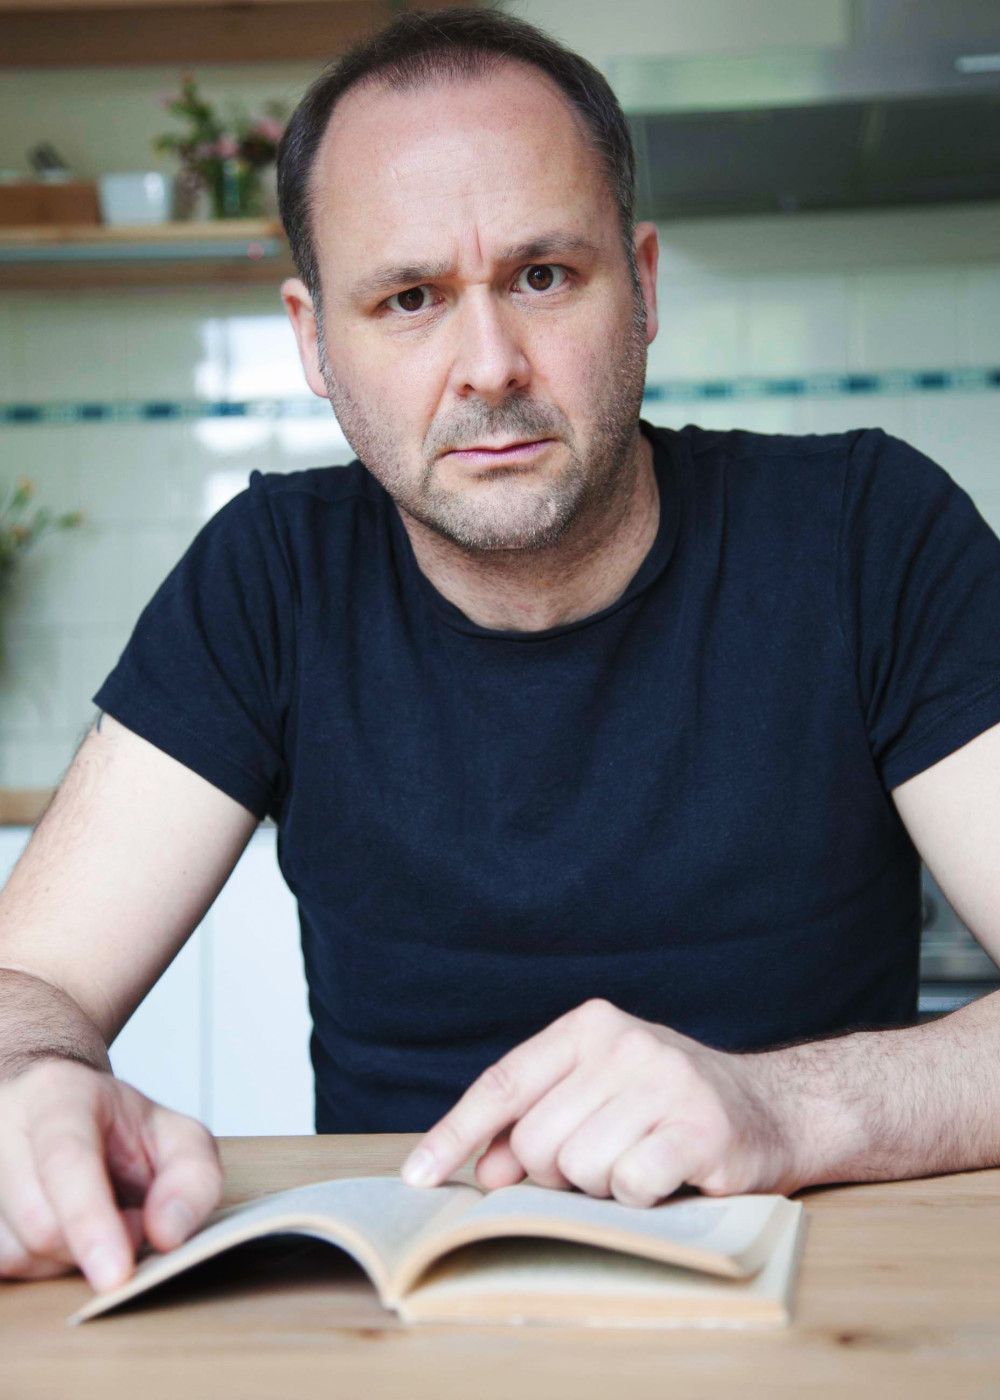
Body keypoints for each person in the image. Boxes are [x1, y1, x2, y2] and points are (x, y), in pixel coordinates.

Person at [2, 7, 1000, 1298]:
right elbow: (27, 979)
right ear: (314, 340)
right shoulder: (271, 576)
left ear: (643, 284)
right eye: (409, 298)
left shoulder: (869, 532)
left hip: (827, 1302)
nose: (488, 367)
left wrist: (786, 1108)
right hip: (397, 1327)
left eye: (542, 276)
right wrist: (32, 1087)